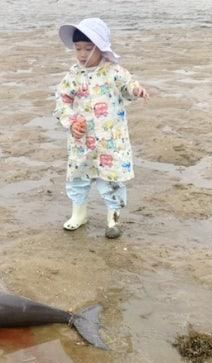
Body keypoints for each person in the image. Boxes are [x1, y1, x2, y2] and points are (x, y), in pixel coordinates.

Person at [53, 18, 149, 239]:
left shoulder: (113, 71)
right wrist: (70, 122)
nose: (82, 54)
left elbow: (128, 85)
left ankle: (112, 217)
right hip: (81, 138)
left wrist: (136, 90)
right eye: (78, 49)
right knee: (78, 175)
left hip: (110, 140)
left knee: (111, 178)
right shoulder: (73, 76)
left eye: (88, 48)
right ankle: (79, 213)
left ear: (101, 48)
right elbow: (62, 100)